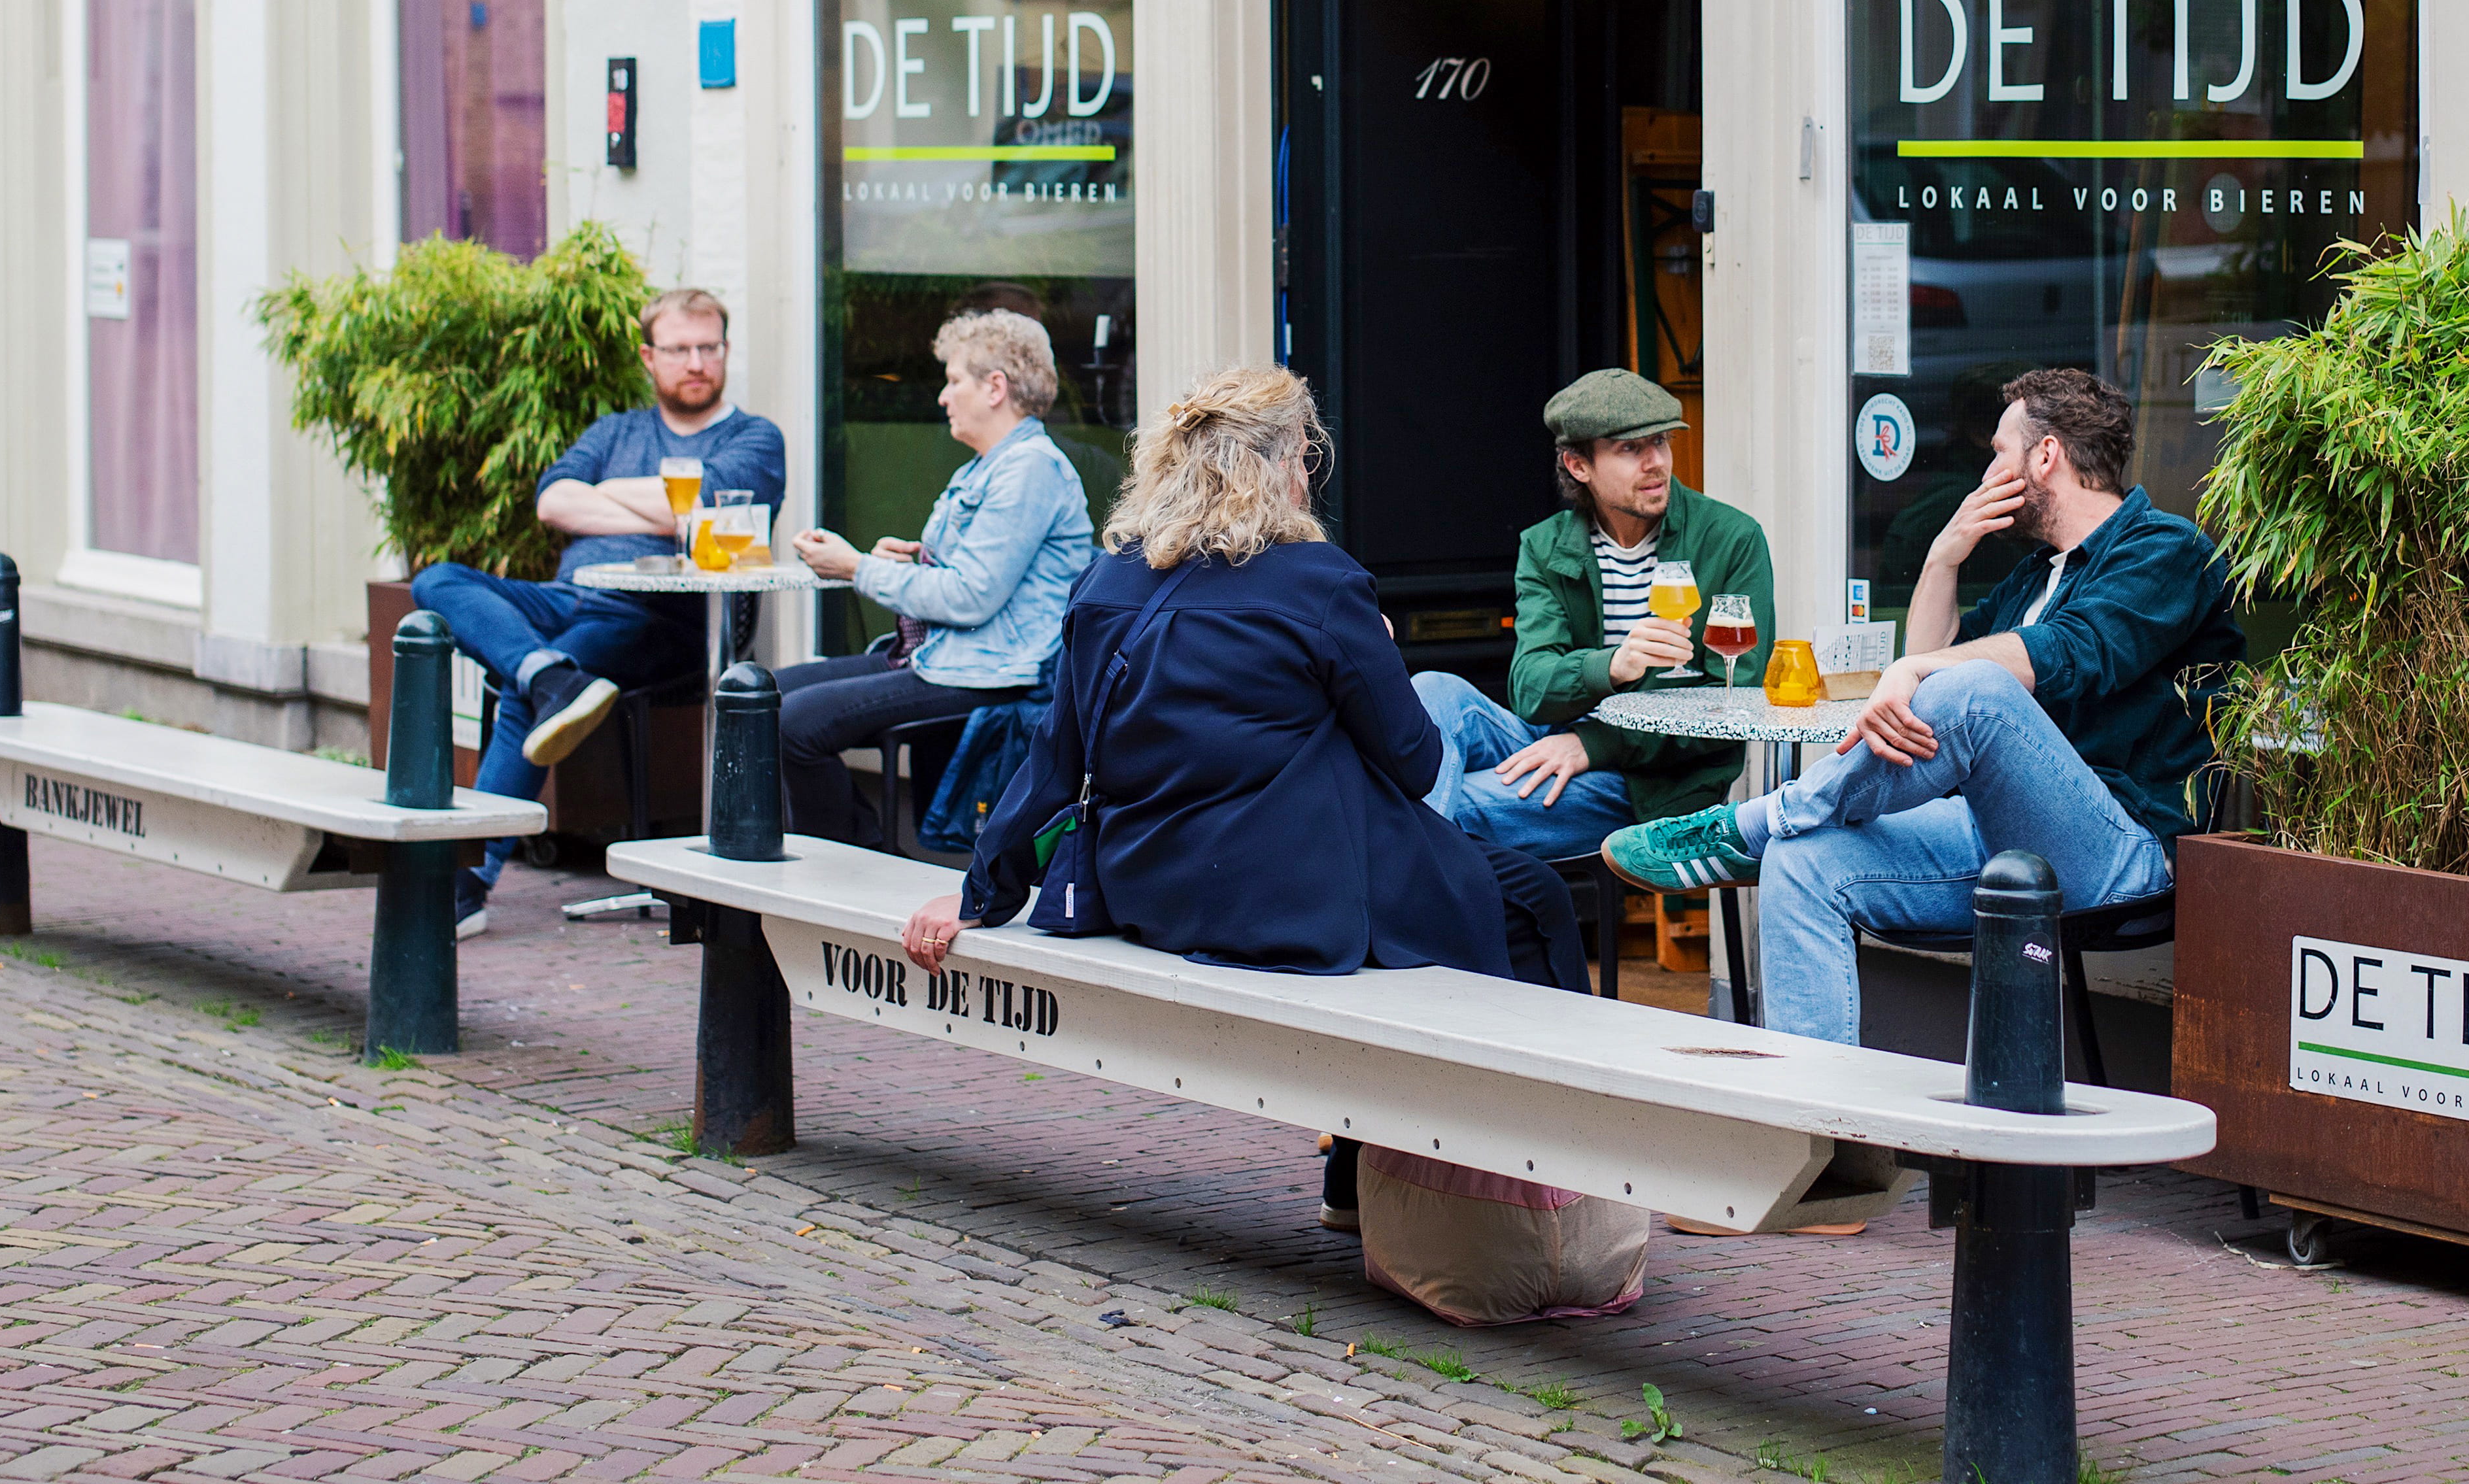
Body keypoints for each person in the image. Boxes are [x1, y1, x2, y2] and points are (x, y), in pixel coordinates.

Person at [898, 367, 1583, 1226]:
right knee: (1533, 898)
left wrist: (978, 894)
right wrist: (1376, 654)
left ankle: (1359, 1183)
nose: (1309, 478)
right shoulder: (1318, 583)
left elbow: (1052, 757)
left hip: (1149, 887)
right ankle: (1562, 1176)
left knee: (1422, 892)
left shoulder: (1109, 583)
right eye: (1304, 457)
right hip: (1281, 895)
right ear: (1282, 465)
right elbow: (1413, 762)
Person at [1600, 365, 2241, 1047]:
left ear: (2046, 454)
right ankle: (1820, 1133)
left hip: (2119, 853)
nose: (1985, 467)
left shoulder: (2167, 550)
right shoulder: (2035, 575)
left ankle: (1759, 819)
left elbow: (2064, 655)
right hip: (1995, 833)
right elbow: (1937, 670)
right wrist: (1943, 556)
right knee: (1799, 859)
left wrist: (1914, 669)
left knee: (1976, 688)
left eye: (1998, 450)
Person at [410, 288, 788, 937]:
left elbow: (714, 510)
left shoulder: (755, 437)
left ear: (724, 352)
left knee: (522, 693)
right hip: (569, 599)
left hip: (658, 620)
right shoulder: (615, 431)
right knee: (438, 579)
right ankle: (549, 672)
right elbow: (554, 502)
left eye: (708, 347)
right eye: (679, 349)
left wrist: (613, 494)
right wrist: (671, 507)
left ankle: (466, 883)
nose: (695, 362)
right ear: (649, 356)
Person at [1410, 367, 1771, 862]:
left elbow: (1735, 703)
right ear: (1578, 465)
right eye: (1630, 449)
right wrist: (1612, 667)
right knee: (1432, 688)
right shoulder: (1545, 545)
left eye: (1660, 442)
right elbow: (1531, 690)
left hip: (1650, 783)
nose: (1656, 463)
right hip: (1554, 737)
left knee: (1439, 808)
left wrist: (1594, 743)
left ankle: (1383, 909)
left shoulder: (1731, 539)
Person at [770, 308, 1095, 849]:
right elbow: (973, 576)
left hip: (992, 672)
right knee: (766, 692)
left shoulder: (1030, 469)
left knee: (796, 722)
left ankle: (860, 872)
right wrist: (909, 562)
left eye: (952, 381)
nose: (943, 397)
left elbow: (970, 598)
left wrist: (857, 568)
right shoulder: (985, 466)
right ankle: (822, 863)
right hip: (947, 656)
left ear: (995, 387)